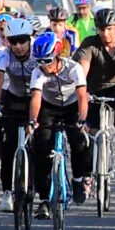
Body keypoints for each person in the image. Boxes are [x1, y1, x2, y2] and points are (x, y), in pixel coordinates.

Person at [74, 8, 115, 202]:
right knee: (87, 135)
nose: (105, 33)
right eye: (101, 29)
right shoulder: (90, 44)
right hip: (94, 91)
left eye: (109, 28)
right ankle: (87, 176)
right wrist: (82, 92)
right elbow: (82, 72)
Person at [28, 33, 91, 219]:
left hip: (72, 106)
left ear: (56, 55)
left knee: (79, 141)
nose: (44, 65)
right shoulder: (38, 72)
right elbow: (36, 98)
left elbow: (82, 96)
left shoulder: (74, 68)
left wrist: (82, 119)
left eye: (47, 60)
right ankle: (45, 199)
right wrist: (33, 120)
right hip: (49, 107)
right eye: (39, 61)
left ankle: (79, 179)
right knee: (42, 147)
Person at [0, 18, 35, 212]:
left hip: (37, 100)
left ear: (30, 39)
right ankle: (7, 191)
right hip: (14, 100)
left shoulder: (37, 53)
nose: (18, 46)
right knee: (9, 147)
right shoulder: (4, 56)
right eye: (13, 41)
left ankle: (35, 185)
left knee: (40, 145)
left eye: (22, 41)